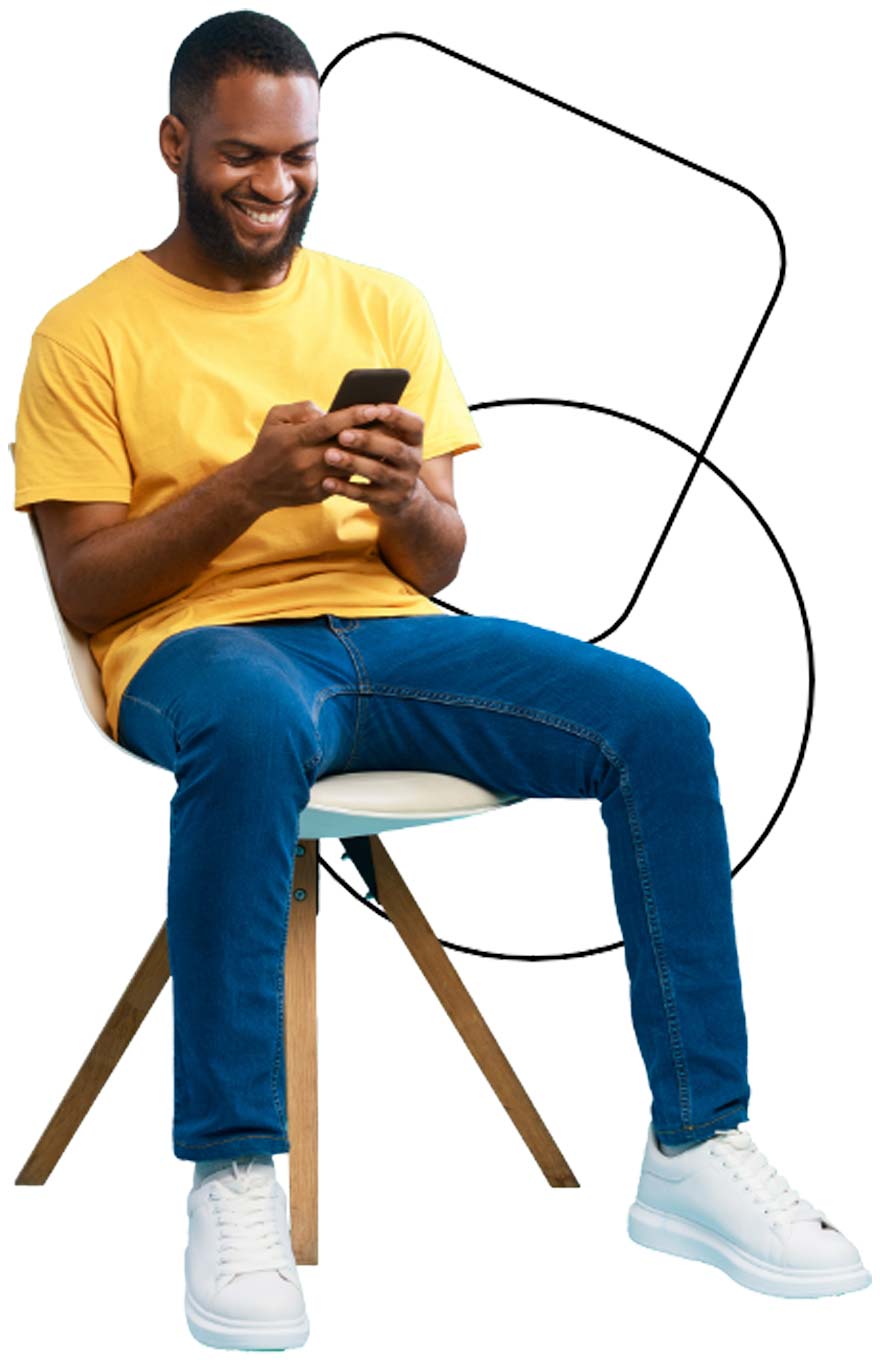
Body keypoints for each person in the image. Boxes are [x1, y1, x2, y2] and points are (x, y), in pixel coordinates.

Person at [12, 9, 871, 1351]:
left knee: (657, 718)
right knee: (248, 719)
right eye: (242, 157)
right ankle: (234, 1176)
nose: (274, 186)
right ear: (175, 143)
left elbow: (436, 559)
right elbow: (83, 588)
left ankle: (697, 1145)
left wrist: (400, 491)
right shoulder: (86, 332)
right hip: (201, 650)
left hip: (383, 634)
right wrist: (254, 484)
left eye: (300, 159)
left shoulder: (383, 303)